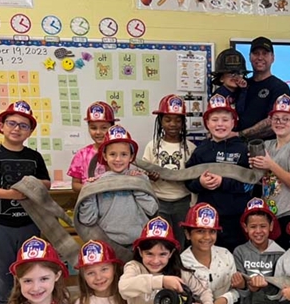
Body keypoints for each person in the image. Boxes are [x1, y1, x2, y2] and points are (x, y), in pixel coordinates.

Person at [0, 101, 51, 304]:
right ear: (2, 125)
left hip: (29, 222)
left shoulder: (34, 157)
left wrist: (31, 186)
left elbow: (46, 183)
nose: (17, 128)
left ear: (30, 131)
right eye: (12, 123)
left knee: (29, 266)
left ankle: (30, 303)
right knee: (2, 267)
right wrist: (10, 194)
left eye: (23, 125)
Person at [184, 94, 252, 252]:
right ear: (207, 123)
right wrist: (199, 183)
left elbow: (249, 184)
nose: (220, 124)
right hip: (206, 221)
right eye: (214, 120)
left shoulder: (243, 149)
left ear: (233, 122)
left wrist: (223, 182)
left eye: (225, 119)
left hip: (235, 219)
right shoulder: (200, 150)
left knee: (234, 259)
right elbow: (187, 182)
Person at [77, 125, 158, 249]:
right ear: (105, 156)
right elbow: (88, 220)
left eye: (124, 154)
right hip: (108, 245)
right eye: (112, 154)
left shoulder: (139, 179)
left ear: (131, 157)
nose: (118, 159)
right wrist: (90, 192)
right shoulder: (97, 184)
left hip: (140, 244)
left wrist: (136, 185)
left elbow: (152, 209)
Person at [249, 94, 290, 249]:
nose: (280, 122)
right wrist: (255, 165)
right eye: (276, 118)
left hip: (287, 214)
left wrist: (270, 164)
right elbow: (259, 179)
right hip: (268, 214)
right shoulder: (266, 145)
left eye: (286, 119)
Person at [230, 198, 285, 304]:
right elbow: (240, 287)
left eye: (263, 226)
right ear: (245, 227)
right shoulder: (239, 252)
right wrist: (245, 287)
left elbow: (281, 291)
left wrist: (266, 287)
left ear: (271, 226)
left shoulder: (280, 253)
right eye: (253, 227)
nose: (258, 231)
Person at [143, 94, 196, 249]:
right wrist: (150, 177)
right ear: (160, 121)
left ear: (183, 122)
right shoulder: (152, 146)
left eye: (178, 120)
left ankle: (179, 270)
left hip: (183, 201)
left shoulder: (191, 148)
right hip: (159, 201)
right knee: (160, 240)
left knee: (181, 241)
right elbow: (144, 173)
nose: (173, 124)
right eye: (167, 120)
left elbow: (194, 178)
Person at [234, 37, 290, 140]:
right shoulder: (242, 85)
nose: (260, 58)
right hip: (238, 148)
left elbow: (273, 124)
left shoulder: (280, 88)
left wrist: (240, 135)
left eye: (265, 53)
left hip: (266, 150)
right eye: (256, 53)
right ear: (250, 57)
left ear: (273, 58)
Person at [68, 101, 117, 193]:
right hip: (90, 203)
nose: (98, 132)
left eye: (104, 128)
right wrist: (94, 188)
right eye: (93, 128)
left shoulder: (120, 152)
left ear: (112, 127)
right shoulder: (81, 154)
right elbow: (75, 185)